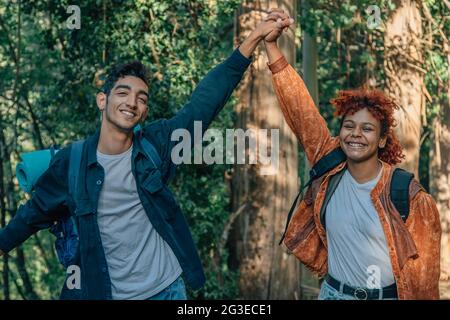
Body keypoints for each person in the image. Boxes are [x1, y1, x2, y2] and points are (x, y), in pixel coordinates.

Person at [0, 15, 293, 300]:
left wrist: (254, 37)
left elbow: (205, 103)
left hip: (166, 289)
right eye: (123, 93)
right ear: (102, 100)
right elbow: (30, 216)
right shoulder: (71, 162)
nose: (132, 102)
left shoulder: (157, 143)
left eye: (142, 98)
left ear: (145, 111)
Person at [263, 8, 441, 300]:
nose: (356, 134)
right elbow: (300, 109)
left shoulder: (408, 195)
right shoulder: (329, 165)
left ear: (383, 139)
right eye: (349, 126)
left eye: (368, 129)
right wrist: (271, 47)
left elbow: (424, 280)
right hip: (332, 293)